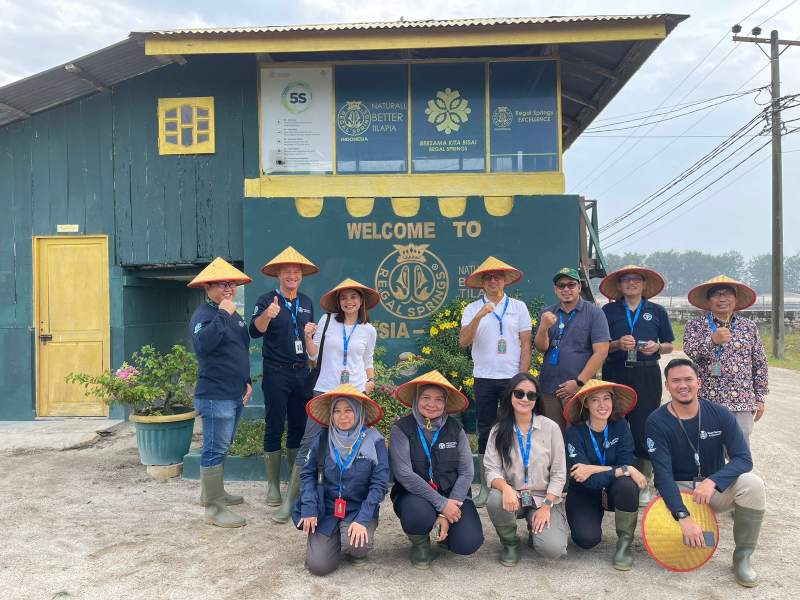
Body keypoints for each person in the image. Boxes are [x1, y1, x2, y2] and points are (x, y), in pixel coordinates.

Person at [646, 358, 766, 587]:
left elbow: (743, 459)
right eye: (676, 381)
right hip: (678, 490)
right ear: (667, 385)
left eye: (688, 379)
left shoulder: (720, 414)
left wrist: (713, 481)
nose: (683, 385)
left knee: (753, 484)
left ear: (699, 382)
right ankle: (688, 522)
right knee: (677, 540)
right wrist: (682, 515)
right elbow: (662, 475)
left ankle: (742, 557)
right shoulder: (656, 421)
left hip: (711, 491)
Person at [272, 279, 379, 524]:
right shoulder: (327, 320)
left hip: (355, 393)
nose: (348, 302)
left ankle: (351, 500)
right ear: (338, 302)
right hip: (325, 389)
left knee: (353, 444)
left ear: (361, 301)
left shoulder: (368, 330)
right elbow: (313, 354)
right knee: (309, 442)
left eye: (353, 297)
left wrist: (371, 380)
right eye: (344, 298)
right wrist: (308, 336)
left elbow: (368, 358)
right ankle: (291, 500)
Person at [389, 370, 484, 568]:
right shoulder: (401, 428)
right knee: (418, 514)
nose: (432, 404)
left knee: (468, 543)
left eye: (438, 399)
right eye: (426, 398)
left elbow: (467, 472)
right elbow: (404, 474)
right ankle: (421, 544)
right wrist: (441, 505)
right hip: (415, 496)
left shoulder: (455, 429)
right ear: (416, 399)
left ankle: (446, 537)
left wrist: (447, 509)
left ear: (446, 403)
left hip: (454, 496)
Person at [292, 384, 389, 576]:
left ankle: (349, 536)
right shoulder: (321, 438)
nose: (342, 416)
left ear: (359, 411)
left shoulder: (375, 441)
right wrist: (309, 507)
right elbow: (308, 474)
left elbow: (379, 485)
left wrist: (363, 519)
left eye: (348, 410)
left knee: (359, 546)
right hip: (326, 508)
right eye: (336, 411)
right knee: (318, 566)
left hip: (357, 508)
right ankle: (329, 538)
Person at [459, 256, 532, 508]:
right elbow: (464, 341)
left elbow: (526, 343)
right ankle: (486, 485)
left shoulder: (519, 307)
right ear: (482, 282)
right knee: (485, 431)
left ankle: (517, 482)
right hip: (484, 378)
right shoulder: (471, 309)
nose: (493, 280)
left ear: (504, 281)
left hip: (512, 379)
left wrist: (522, 378)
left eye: (497, 276)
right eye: (488, 277)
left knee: (516, 429)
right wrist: (480, 315)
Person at [249, 246, 318, 508]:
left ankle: (293, 482)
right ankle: (272, 487)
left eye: (296, 272)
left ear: (301, 276)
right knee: (274, 425)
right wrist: (267, 315)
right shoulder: (267, 300)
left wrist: (311, 339)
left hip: (301, 372)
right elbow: (255, 332)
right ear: (279, 275)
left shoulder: (307, 303)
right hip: (276, 372)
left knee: (298, 428)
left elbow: (310, 340)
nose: (292, 276)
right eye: (287, 272)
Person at [187, 258, 253, 528]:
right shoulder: (204, 315)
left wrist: (246, 381)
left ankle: (213, 493)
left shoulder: (233, 314)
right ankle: (214, 508)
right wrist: (224, 314)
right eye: (223, 284)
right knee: (214, 448)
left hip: (234, 392)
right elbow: (204, 345)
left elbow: (239, 349)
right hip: (215, 394)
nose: (230, 288)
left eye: (233, 283)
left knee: (222, 446)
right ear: (208, 287)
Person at [600, 265, 674, 505]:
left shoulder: (657, 311)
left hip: (647, 374)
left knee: (645, 426)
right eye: (626, 280)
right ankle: (614, 478)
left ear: (644, 285)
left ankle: (644, 481)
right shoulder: (608, 311)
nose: (631, 283)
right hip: (616, 373)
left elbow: (669, 345)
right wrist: (616, 344)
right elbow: (600, 345)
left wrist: (657, 347)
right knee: (613, 422)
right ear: (619, 286)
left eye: (636, 280)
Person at [484, 373, 568, 566]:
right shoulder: (498, 430)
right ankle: (510, 543)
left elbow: (559, 474)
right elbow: (491, 470)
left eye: (531, 395)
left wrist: (546, 506)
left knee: (553, 549)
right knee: (496, 499)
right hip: (514, 496)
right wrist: (505, 488)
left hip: (543, 497)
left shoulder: (551, 428)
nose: (525, 399)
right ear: (510, 396)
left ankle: (536, 529)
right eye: (519, 393)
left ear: (537, 399)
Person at [562, 380, 646, 570]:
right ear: (585, 404)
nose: (602, 405)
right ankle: (586, 518)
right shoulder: (575, 432)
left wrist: (593, 468)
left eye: (606, 398)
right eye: (595, 400)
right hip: (584, 491)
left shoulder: (621, 425)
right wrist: (620, 469)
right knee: (586, 540)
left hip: (614, 488)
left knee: (627, 485)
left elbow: (626, 463)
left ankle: (624, 544)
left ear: (613, 401)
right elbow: (585, 478)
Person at [683, 275, 768, 444]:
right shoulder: (695, 325)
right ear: (708, 300)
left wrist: (760, 398)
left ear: (736, 299)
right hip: (706, 400)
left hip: (742, 401)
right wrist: (712, 340)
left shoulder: (748, 326)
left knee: (739, 451)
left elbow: (759, 363)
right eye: (716, 294)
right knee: (708, 449)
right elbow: (690, 351)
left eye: (728, 294)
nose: (722, 298)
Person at [534, 267, 610, 434]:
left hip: (579, 388)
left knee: (577, 435)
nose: (566, 289)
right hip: (549, 387)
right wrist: (543, 327)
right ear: (555, 289)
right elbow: (541, 348)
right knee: (552, 435)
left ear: (579, 287)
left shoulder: (595, 314)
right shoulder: (547, 313)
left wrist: (578, 382)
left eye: (571, 285)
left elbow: (601, 352)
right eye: (561, 285)